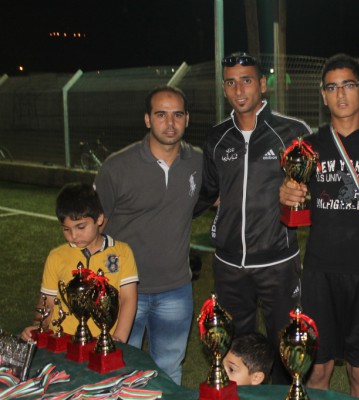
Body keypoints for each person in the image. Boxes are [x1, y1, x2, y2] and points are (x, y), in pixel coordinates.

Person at [279, 53, 359, 400]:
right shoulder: (308, 147)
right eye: (332, 88)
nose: (341, 94)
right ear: (323, 95)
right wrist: (285, 193)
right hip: (321, 272)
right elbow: (291, 196)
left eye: (348, 85)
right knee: (318, 369)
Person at [193, 51, 312, 384]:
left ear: (262, 84)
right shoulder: (217, 137)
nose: (239, 90)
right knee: (235, 351)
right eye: (230, 82)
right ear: (223, 88)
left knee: (286, 348)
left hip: (278, 262)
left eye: (246, 80)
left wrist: (298, 194)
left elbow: (317, 189)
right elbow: (206, 193)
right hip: (229, 264)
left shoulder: (293, 131)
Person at [94, 85, 202, 385]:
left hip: (176, 289)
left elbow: (222, 196)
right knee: (118, 371)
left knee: (169, 371)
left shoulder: (198, 162)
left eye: (177, 114)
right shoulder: (117, 167)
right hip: (123, 290)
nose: (170, 123)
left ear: (187, 119)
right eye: (161, 114)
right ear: (147, 119)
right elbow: (93, 229)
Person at [21, 182, 138, 343]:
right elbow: (47, 301)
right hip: (62, 341)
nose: (73, 236)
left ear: (99, 219)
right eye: (66, 229)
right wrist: (38, 326)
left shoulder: (122, 252)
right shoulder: (56, 256)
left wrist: (118, 338)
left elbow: (128, 299)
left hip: (103, 342)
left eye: (80, 227)